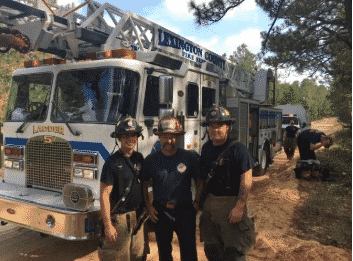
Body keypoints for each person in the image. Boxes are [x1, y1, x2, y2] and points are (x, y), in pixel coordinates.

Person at [140, 116, 203, 261]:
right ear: (160, 137)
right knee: (164, 254)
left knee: (189, 254)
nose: (169, 141)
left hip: (185, 211)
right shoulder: (150, 160)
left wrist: (197, 202)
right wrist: (149, 207)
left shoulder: (189, 157)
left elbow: (200, 181)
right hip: (161, 212)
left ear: (179, 137)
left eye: (173, 136)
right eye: (165, 136)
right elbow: (145, 183)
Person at [199, 105, 256, 261]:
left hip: (231, 205)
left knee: (234, 252)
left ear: (228, 127)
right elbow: (203, 178)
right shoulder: (206, 148)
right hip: (210, 204)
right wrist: (200, 203)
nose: (214, 130)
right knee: (212, 251)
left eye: (219, 126)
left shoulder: (239, 149)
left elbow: (247, 179)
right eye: (211, 126)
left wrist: (239, 207)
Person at [98, 116, 148, 261]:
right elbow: (104, 195)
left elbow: (146, 185)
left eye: (133, 135)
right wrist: (108, 226)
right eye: (125, 135)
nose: (129, 139)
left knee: (137, 256)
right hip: (119, 221)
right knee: (116, 257)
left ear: (137, 137)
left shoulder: (139, 158)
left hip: (137, 218)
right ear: (119, 138)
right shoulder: (112, 162)